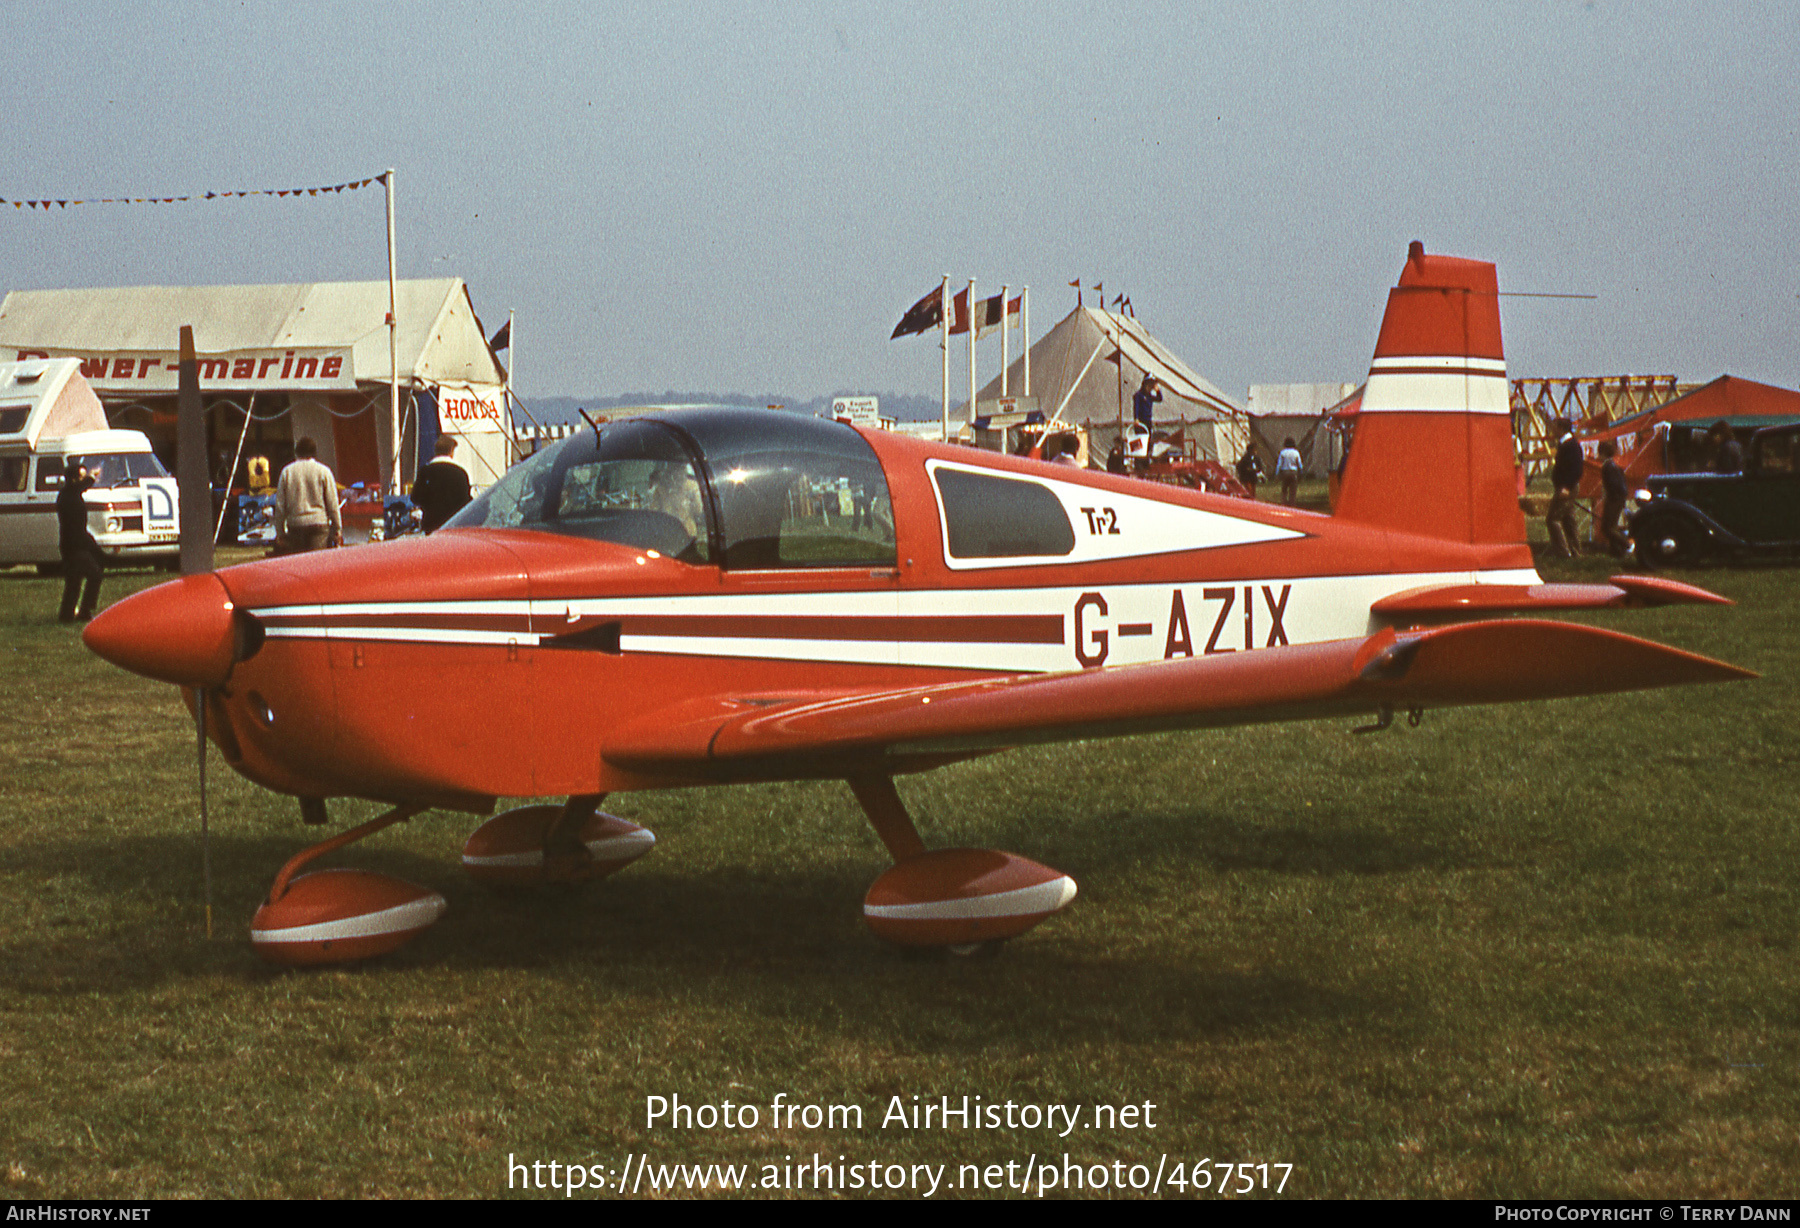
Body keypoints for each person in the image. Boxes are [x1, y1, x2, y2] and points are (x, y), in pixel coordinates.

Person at [274, 437, 342, 554]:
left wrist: (279, 532)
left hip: (296, 525)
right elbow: (332, 503)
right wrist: (337, 528)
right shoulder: (324, 471)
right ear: (315, 452)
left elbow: (280, 505)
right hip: (319, 524)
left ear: (297, 452)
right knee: (316, 564)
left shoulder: (287, 472)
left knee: (299, 565)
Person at [56, 458, 104, 623]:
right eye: (81, 476)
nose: (84, 480)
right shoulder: (69, 495)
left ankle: (67, 615)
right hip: (75, 546)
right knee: (95, 574)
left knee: (74, 582)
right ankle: (84, 611)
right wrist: (91, 477)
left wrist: (90, 476)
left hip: (71, 544)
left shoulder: (67, 494)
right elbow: (80, 487)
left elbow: (80, 487)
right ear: (74, 479)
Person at [411, 435, 473, 532]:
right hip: (454, 525)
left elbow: (415, 498)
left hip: (431, 525)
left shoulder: (425, 471)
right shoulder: (460, 473)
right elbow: (466, 502)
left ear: (435, 451)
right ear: (451, 451)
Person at [1547, 420, 1584, 557]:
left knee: (1552, 519)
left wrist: (1566, 487)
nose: (1552, 430)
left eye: (1554, 427)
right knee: (1568, 520)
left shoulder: (1571, 446)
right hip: (1564, 486)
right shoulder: (1565, 444)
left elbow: (1576, 469)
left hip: (1566, 487)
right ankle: (1576, 551)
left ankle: (1562, 552)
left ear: (1561, 428)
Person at [1596, 440, 1631, 559]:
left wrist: (1611, 496)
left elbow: (1615, 485)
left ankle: (1626, 544)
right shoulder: (1611, 465)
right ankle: (1616, 551)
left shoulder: (1609, 467)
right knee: (1610, 526)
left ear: (1602, 453)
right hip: (1615, 498)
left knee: (1607, 528)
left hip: (1614, 499)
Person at [1276, 437, 1303, 506]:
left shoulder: (1283, 452)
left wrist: (1277, 473)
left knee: (1284, 489)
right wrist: (1301, 472)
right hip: (1293, 472)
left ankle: (1284, 503)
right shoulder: (1296, 452)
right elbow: (1299, 464)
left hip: (1285, 472)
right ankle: (1292, 504)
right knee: (1293, 490)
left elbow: (1279, 464)